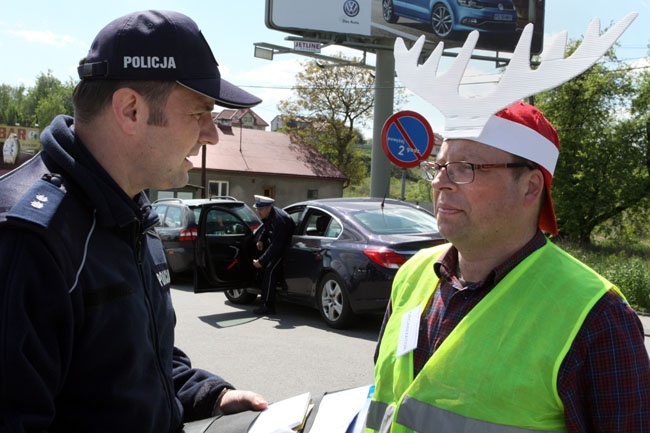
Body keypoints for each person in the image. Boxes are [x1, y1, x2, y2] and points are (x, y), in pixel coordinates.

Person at [0, 10, 269, 433]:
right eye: (200, 113)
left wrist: (209, 395)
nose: (213, 135)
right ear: (130, 110)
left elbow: (138, 367)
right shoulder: (28, 240)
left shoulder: (133, 212)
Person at [366, 101, 650, 432]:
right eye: (439, 166)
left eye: (464, 167)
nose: (440, 182)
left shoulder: (599, 317)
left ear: (530, 187)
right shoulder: (413, 273)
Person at [251, 195, 295, 315]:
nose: (258, 212)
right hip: (279, 247)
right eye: (257, 209)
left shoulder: (280, 220)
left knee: (270, 271)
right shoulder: (269, 215)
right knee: (269, 269)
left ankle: (268, 306)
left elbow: (276, 246)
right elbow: (266, 227)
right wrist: (261, 239)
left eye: (260, 209)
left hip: (286, 251)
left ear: (268, 208)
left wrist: (261, 261)